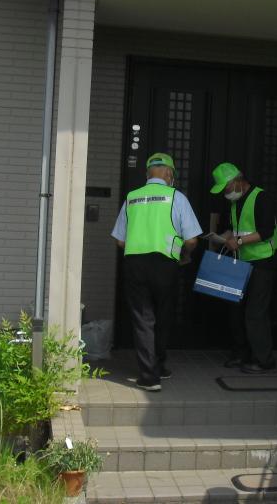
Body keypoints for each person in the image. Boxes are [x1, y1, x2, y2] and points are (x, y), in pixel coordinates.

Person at [111, 152, 202, 392]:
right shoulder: (176, 197)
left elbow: (120, 241)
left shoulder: (132, 197)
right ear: (169, 174)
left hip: (135, 264)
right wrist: (184, 254)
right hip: (165, 265)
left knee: (143, 319)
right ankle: (159, 366)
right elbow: (192, 239)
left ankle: (149, 376)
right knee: (163, 316)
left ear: (148, 173)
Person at [210, 162, 277, 374]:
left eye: (227, 187)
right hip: (240, 261)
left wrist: (238, 242)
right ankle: (242, 354)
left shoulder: (262, 197)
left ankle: (264, 360)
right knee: (236, 310)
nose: (225, 192)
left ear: (238, 181)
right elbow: (233, 229)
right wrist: (217, 239)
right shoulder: (235, 203)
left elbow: (266, 231)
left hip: (262, 261)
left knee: (255, 313)